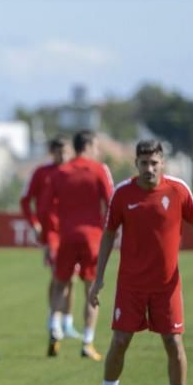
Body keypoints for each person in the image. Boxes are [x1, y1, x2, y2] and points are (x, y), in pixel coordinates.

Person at [88, 140, 193, 385]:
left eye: (154, 162)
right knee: (119, 342)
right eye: (144, 163)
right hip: (131, 285)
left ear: (163, 163)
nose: (149, 168)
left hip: (166, 285)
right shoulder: (122, 194)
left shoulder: (178, 189)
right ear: (136, 164)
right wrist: (98, 278)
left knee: (173, 343)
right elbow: (109, 235)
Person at [46, 130, 114, 360]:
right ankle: (87, 341)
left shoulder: (61, 172)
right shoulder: (98, 169)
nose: (98, 151)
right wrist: (108, 232)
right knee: (90, 289)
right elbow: (112, 202)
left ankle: (54, 328)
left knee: (59, 284)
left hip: (67, 235)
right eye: (96, 146)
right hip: (92, 238)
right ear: (88, 146)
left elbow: (45, 206)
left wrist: (52, 231)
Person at [20, 136, 81, 355]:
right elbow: (26, 200)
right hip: (52, 234)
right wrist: (35, 224)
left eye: (65, 151)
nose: (62, 156)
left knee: (72, 278)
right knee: (59, 276)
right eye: (57, 151)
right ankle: (53, 321)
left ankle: (66, 322)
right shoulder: (41, 173)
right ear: (51, 152)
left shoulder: (77, 171)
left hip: (73, 231)